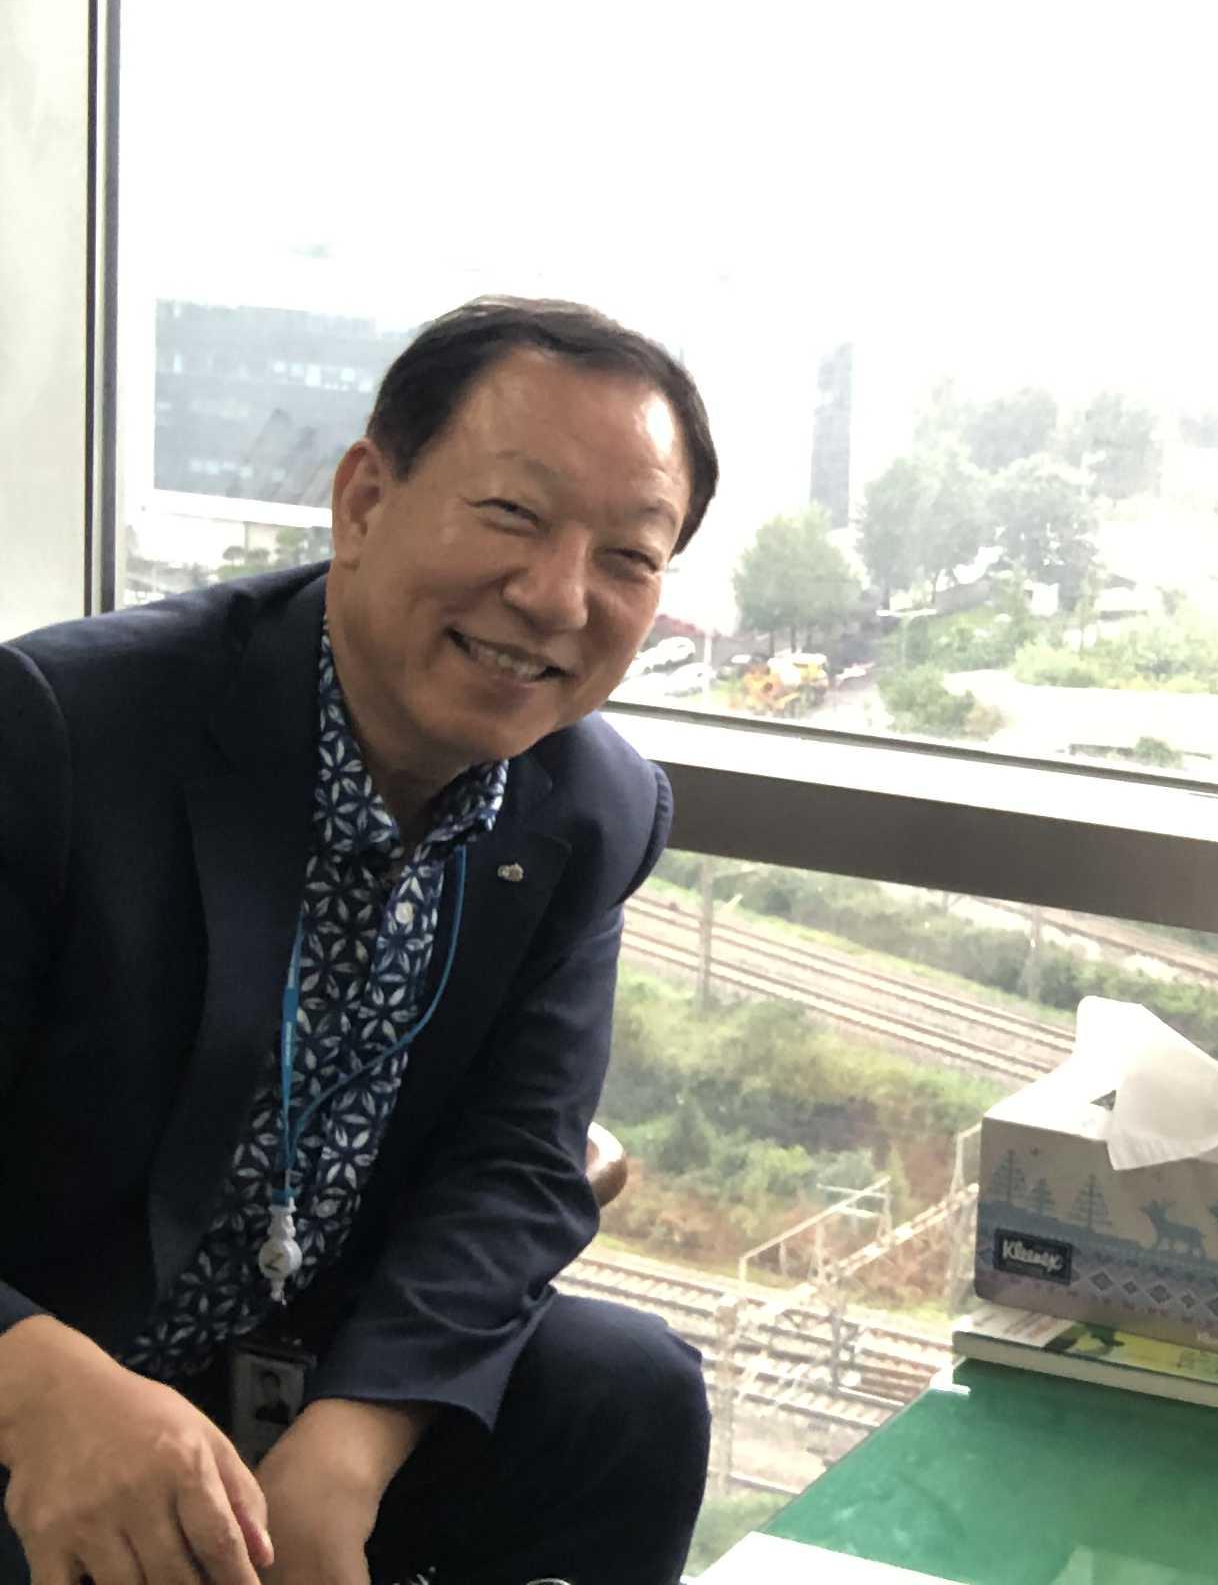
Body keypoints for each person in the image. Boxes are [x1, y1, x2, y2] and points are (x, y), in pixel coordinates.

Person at [0, 297, 720, 1585]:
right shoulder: (63, 730)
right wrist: (34, 1378)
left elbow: (518, 1161)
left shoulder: (590, 807)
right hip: (52, 1361)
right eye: (512, 513)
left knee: (625, 1393)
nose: (557, 595)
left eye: (628, 555)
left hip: (294, 1355)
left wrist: (353, 1439)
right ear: (365, 500)